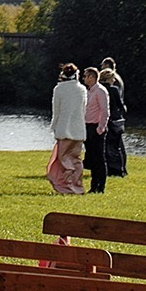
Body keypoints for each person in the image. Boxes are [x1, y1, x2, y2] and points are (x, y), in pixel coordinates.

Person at [47, 63, 87, 194]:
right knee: (76, 158)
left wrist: (54, 126)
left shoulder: (59, 89)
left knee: (63, 159)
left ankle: (65, 185)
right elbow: (83, 109)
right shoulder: (82, 89)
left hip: (64, 128)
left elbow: (56, 110)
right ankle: (77, 185)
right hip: (79, 128)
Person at [81, 64, 110, 193]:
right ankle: (94, 186)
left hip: (96, 128)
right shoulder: (89, 91)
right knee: (92, 157)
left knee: (99, 158)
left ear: (92, 77)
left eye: (86, 76)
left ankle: (101, 186)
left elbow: (105, 111)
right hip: (88, 127)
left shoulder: (100, 91)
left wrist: (100, 128)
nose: (84, 79)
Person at [99, 66, 127, 177]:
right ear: (109, 78)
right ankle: (119, 169)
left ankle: (108, 168)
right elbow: (121, 106)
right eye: (112, 78)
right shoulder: (114, 90)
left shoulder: (99, 89)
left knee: (105, 146)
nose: (114, 80)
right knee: (117, 146)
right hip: (115, 120)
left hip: (103, 120)